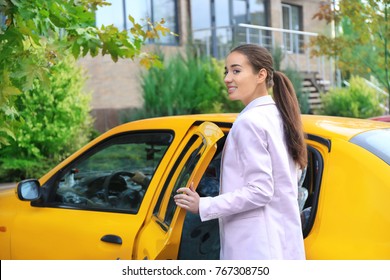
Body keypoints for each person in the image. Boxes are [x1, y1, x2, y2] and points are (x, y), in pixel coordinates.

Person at [174, 43, 307, 260]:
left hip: (256, 247)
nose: (227, 78)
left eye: (236, 71)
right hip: (280, 243)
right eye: (226, 71)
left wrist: (204, 204)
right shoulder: (279, 115)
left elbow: (261, 190)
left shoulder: (250, 122)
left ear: (260, 75)